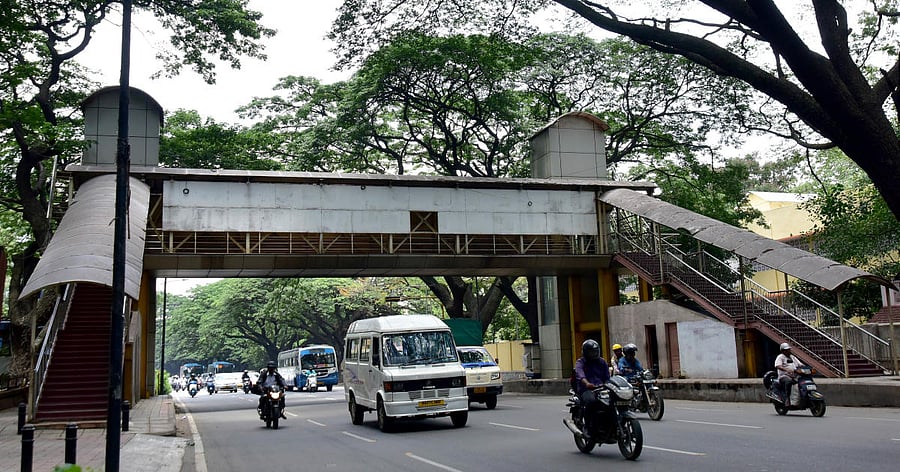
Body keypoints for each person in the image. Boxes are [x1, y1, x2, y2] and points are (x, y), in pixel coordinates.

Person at [574, 339, 610, 440]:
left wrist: (608, 384)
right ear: (585, 352)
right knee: (591, 402)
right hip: (586, 389)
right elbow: (580, 375)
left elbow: (607, 377)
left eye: (595, 351)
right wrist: (587, 383)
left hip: (601, 388)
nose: (594, 353)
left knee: (612, 401)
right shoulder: (580, 362)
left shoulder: (602, 362)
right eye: (591, 351)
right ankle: (588, 427)